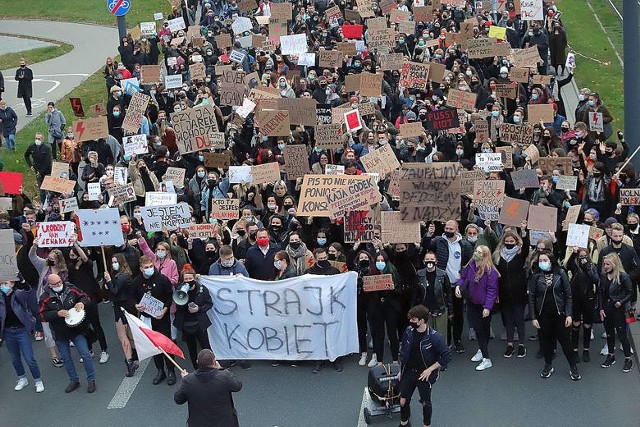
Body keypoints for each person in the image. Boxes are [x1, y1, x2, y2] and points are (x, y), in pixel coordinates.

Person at [38, 274, 96, 393]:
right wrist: (57, 313)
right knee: (66, 358)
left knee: (85, 354)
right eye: (56, 284)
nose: (59, 285)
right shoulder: (44, 297)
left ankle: (91, 380)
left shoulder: (71, 288)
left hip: (76, 329)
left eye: (60, 282)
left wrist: (82, 303)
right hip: (60, 332)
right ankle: (74, 380)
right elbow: (41, 315)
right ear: (49, 285)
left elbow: (85, 297)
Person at [422, 220, 473, 353]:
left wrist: (464, 281)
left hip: (458, 286)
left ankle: (457, 340)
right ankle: (447, 340)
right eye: (447, 228)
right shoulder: (437, 241)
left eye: (451, 228)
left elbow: (469, 264)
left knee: (458, 314)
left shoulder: (465, 245)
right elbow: (426, 250)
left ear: (456, 230)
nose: (448, 230)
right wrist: (429, 234)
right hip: (442, 285)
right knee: (445, 315)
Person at [528, 252, 581, 380]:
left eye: (544, 260)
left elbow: (568, 295)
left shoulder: (560, 273)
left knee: (565, 342)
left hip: (560, 314)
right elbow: (532, 298)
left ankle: (573, 366)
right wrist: (533, 317)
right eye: (540, 260)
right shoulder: (536, 277)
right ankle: (548, 365)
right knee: (546, 342)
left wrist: (569, 314)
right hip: (543, 315)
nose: (542, 262)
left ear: (551, 261)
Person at [398, 305, 452, 427]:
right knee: (403, 401)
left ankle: (426, 425)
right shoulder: (408, 331)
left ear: (421, 320)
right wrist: (401, 369)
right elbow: (403, 352)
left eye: (413, 319)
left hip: (424, 375)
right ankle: (404, 423)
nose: (410, 322)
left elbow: (446, 357)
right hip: (409, 372)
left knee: (425, 403)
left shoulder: (435, 337)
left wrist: (430, 369)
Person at [132, 256, 176, 385]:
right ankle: (160, 370)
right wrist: (136, 305)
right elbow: (132, 297)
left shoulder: (162, 279)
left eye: (151, 266)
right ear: (141, 269)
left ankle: (171, 370)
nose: (149, 269)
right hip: (147, 318)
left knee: (165, 344)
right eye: (146, 267)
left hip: (161, 317)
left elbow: (169, 296)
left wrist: (165, 309)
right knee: (154, 346)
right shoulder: (136, 282)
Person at [455, 245, 499, 371]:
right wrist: (458, 286)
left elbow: (492, 291)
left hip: (484, 305)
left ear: (485, 255)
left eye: (479, 252)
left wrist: (487, 307)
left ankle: (485, 357)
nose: (476, 254)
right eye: (476, 251)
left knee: (484, 329)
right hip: (472, 302)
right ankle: (485, 355)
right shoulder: (470, 265)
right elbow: (463, 277)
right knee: (479, 329)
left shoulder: (490, 271)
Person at [174, 349, 242, 427]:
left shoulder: (188, 381)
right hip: (225, 423)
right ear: (214, 362)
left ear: (197, 362)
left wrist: (185, 380)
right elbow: (238, 386)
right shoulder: (225, 376)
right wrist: (221, 369)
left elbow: (178, 400)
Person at [0, 279, 45, 393]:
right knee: (15, 358)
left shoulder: (18, 294)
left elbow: (27, 290)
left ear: (12, 283)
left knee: (29, 358)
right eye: (1, 284)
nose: (3, 286)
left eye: (5, 283)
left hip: (21, 331)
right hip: (8, 331)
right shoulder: (0, 297)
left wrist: (23, 281)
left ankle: (38, 380)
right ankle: (22, 378)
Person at [305, 248, 342, 373]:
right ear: (315, 259)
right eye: (320, 259)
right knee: (318, 335)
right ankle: (319, 360)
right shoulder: (309, 273)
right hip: (316, 310)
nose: (323, 260)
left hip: (332, 309)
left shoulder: (334, 271)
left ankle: (335, 359)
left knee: (332, 334)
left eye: (325, 257)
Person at [104, 253, 139, 377]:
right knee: (129, 334)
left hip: (121, 308)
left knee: (122, 336)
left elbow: (115, 291)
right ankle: (136, 353)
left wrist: (108, 281)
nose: (113, 264)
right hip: (128, 307)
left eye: (115, 262)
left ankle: (130, 362)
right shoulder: (125, 275)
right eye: (112, 262)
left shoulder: (122, 276)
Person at [599, 253, 633, 372]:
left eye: (608, 264)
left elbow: (630, 292)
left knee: (622, 334)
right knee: (609, 333)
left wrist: (621, 302)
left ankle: (628, 358)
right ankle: (611, 355)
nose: (605, 266)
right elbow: (601, 294)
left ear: (614, 264)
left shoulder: (623, 276)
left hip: (619, 309)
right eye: (604, 264)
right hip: (607, 308)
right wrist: (601, 309)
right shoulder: (603, 276)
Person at [173, 267, 213, 369]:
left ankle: (211, 366)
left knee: (205, 346)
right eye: (186, 279)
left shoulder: (202, 289)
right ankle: (197, 367)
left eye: (190, 279)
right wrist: (182, 296)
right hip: (186, 324)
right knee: (192, 348)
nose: (188, 281)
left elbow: (209, 304)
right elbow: (178, 307)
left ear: (194, 278)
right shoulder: (180, 290)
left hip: (199, 323)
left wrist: (199, 308)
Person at [416, 251, 452, 335]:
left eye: (432, 259)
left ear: (436, 261)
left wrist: (450, 311)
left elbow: (449, 293)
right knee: (426, 335)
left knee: (441, 335)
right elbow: (416, 294)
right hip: (425, 310)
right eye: (427, 259)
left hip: (440, 308)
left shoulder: (443, 274)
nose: (429, 261)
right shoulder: (419, 274)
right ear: (424, 261)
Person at [24, 132, 52, 203]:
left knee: (50, 190)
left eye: (39, 139)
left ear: (42, 139)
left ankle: (50, 203)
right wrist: (30, 165)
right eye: (36, 138)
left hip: (47, 172)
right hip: (37, 172)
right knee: (41, 190)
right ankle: (43, 205)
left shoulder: (46, 148)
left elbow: (48, 162)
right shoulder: (32, 147)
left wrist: (41, 171)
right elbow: (26, 155)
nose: (37, 140)